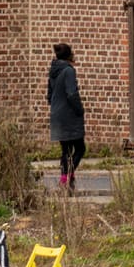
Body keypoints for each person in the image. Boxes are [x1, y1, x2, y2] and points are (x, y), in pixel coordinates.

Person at [48, 43, 86, 189]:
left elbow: (49, 95)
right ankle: (68, 175)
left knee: (66, 150)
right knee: (80, 148)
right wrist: (79, 110)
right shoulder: (69, 71)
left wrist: (57, 107)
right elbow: (72, 93)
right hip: (69, 115)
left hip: (56, 114)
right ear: (69, 55)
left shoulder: (53, 70)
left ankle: (67, 181)